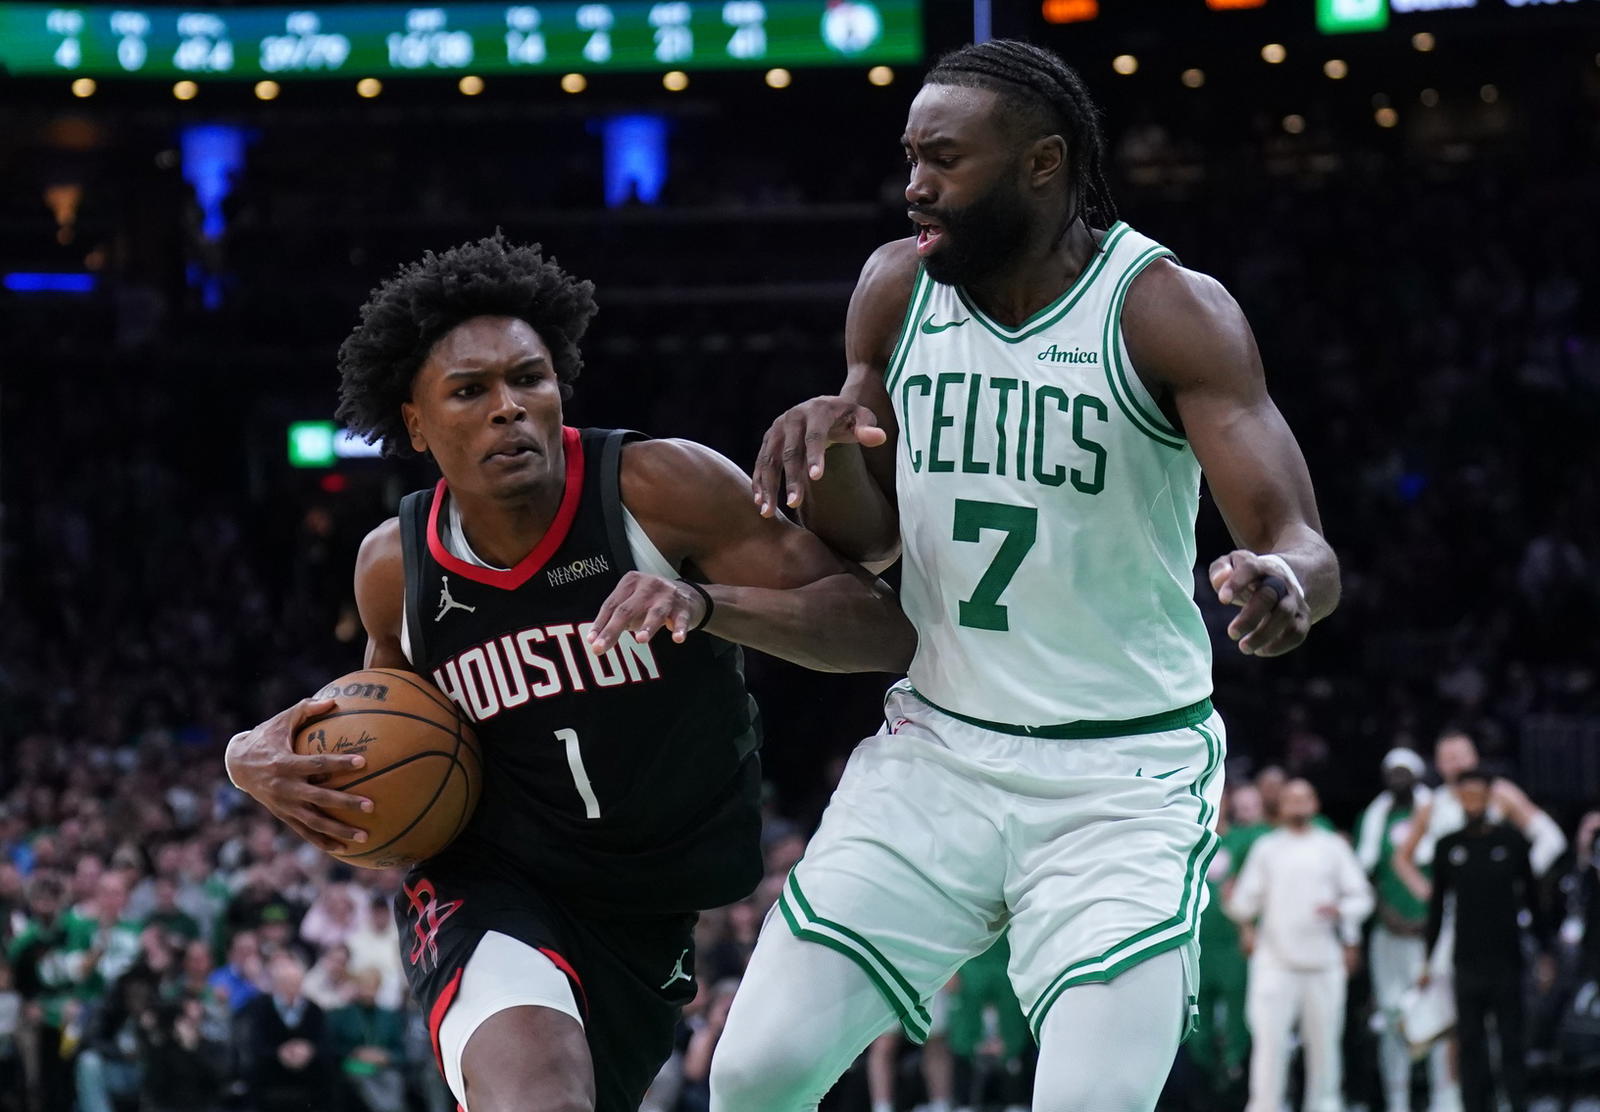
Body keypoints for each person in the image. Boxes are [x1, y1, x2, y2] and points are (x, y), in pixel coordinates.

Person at [717, 38, 1339, 1111]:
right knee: (753, 1073)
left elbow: (1302, 538)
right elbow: (871, 548)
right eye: (910, 156)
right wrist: (831, 454)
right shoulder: (894, 288)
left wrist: (1282, 580)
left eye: (943, 159)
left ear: (1043, 163)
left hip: (1119, 775)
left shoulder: (1162, 308)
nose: (914, 183)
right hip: (941, 750)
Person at [225, 234, 917, 1112]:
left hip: (647, 904)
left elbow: (880, 630)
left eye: (530, 378)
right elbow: (386, 745)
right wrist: (255, 758)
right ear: (415, 423)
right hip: (490, 881)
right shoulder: (393, 568)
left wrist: (708, 605)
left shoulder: (660, 488)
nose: (509, 408)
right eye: (470, 391)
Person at [1226, 779, 1372, 1112]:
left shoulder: (1332, 846)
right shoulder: (1267, 848)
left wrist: (1342, 912)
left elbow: (1361, 896)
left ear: (1315, 804)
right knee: (1270, 1047)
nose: (1298, 804)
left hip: (1323, 963)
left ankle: (1325, 1105)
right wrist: (1236, 909)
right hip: (1275, 963)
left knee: (1324, 1048)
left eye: (1305, 797)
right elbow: (1245, 903)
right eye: (1291, 799)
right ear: (1281, 806)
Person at [1421, 770, 1556, 1112]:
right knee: (1470, 1043)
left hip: (1507, 960)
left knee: (1511, 1042)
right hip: (1465, 961)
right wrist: (1427, 959)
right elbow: (1437, 907)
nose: (1473, 802)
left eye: (1479, 795)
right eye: (1466, 796)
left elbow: (1532, 900)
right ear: (1457, 800)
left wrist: (1545, 952)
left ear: (1490, 798)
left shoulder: (1511, 841)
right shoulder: (1447, 846)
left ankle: (1517, 1103)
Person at [1355, 748, 1457, 1112]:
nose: (1398, 779)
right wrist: (1385, 912)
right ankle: (1397, 1102)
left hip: (1435, 938)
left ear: (1418, 777)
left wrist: (1430, 922)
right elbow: (1363, 875)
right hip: (1388, 934)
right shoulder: (1375, 817)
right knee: (1392, 1017)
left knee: (1439, 1018)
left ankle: (1445, 1102)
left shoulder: (1439, 815)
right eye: (1392, 772)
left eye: (1405, 772)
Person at [236, 949, 331, 1112]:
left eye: (296, 983)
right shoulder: (260, 1008)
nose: (292, 988)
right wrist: (280, 1053)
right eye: (286, 983)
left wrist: (308, 1051)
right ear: (276, 984)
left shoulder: (314, 1010)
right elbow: (254, 1043)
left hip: (307, 1072)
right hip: (270, 1071)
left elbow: (323, 1042)